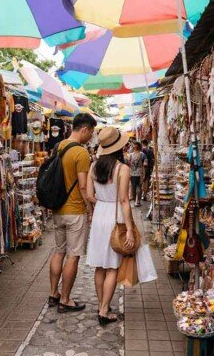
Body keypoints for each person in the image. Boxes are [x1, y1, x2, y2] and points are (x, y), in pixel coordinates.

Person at [86, 127, 135, 325]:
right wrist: (130, 228)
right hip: (115, 217)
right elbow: (124, 200)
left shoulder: (93, 166)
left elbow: (89, 196)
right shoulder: (122, 169)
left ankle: (101, 304)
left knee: (99, 265)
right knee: (113, 266)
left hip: (99, 216)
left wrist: (102, 205)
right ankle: (104, 310)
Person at [48, 113, 97, 313]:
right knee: (73, 255)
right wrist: (91, 208)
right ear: (84, 129)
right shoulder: (81, 153)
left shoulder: (58, 146)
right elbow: (84, 187)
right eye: (91, 132)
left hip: (58, 208)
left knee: (59, 251)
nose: (91, 137)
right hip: (75, 210)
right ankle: (65, 299)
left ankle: (53, 294)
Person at [127, 141, 147, 207]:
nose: (132, 146)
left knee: (134, 187)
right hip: (139, 173)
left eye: (133, 145)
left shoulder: (130, 155)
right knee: (138, 187)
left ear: (135, 146)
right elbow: (145, 164)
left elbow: (128, 164)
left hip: (133, 173)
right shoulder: (142, 154)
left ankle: (135, 200)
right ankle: (137, 201)